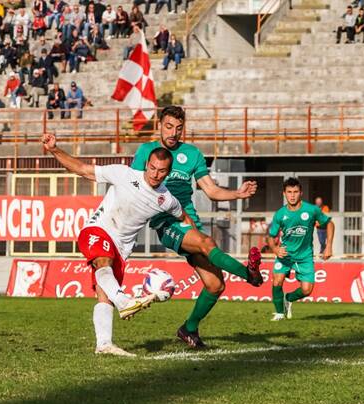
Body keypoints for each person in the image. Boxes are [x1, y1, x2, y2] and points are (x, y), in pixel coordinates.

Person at [42, 132, 194, 356]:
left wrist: (201, 243)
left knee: (104, 295)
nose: (155, 174)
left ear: (168, 172)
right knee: (103, 263)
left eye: (161, 171)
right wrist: (54, 149)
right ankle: (124, 302)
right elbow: (83, 169)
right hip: (97, 230)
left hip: (122, 248)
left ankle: (104, 344)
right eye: (152, 167)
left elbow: (185, 219)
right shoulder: (124, 173)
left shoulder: (167, 199)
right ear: (146, 164)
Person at [130, 105, 264, 349]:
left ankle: (188, 328)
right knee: (207, 243)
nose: (173, 133)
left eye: (179, 128)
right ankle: (249, 274)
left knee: (216, 285)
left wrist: (237, 193)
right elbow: (133, 186)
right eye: (169, 126)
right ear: (159, 125)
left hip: (190, 222)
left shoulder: (192, 154)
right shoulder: (146, 151)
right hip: (166, 222)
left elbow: (211, 191)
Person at [268, 178, 334, 321]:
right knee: (277, 281)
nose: (292, 195)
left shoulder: (311, 210)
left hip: (304, 256)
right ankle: (279, 313)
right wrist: (275, 249)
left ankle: (288, 298)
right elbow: (271, 236)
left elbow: (329, 224)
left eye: (295, 192)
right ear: (284, 193)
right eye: (289, 192)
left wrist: (328, 246)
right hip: (285, 255)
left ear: (301, 193)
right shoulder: (280, 214)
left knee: (306, 290)